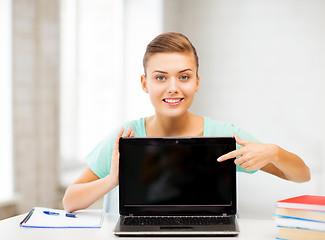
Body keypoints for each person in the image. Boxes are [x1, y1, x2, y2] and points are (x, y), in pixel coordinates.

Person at [62, 32, 310, 213]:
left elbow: (301, 176)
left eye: (184, 77)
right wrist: (112, 179)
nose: (173, 88)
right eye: (160, 77)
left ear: (197, 82)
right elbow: (70, 201)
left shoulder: (225, 135)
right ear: (145, 83)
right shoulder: (126, 136)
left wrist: (274, 152)